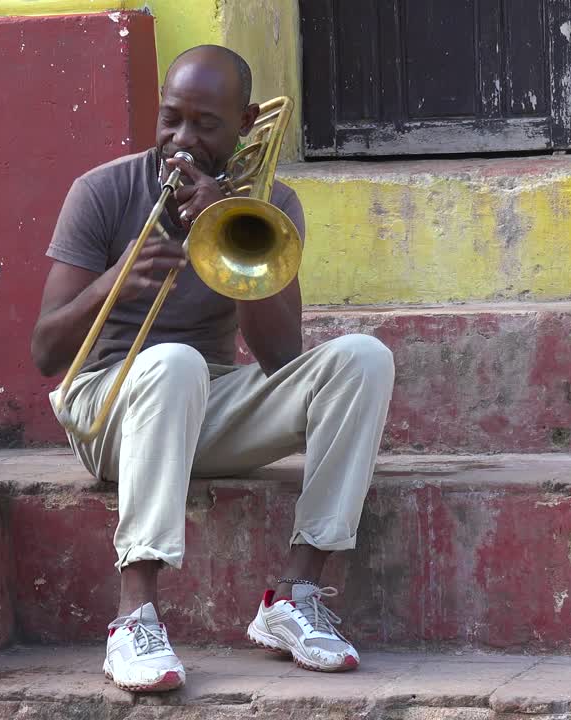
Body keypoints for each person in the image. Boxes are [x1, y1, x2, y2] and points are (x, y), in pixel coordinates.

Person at [29, 44, 395, 693]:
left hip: (204, 404)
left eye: (205, 124)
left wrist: (224, 225)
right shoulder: (103, 190)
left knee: (364, 358)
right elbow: (46, 354)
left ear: (246, 123)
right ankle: (134, 617)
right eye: (171, 118)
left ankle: (294, 597)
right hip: (107, 408)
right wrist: (112, 283)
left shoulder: (268, 204)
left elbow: (281, 359)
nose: (181, 139)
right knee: (173, 362)